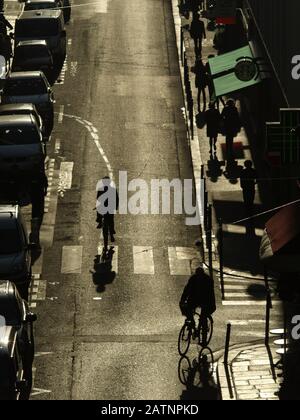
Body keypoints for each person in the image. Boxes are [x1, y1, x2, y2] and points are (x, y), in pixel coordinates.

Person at [96, 177, 119, 246]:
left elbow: (98, 199)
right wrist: (116, 207)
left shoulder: (101, 189)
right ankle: (111, 233)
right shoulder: (113, 189)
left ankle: (99, 221)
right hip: (110, 208)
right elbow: (117, 199)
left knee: (99, 212)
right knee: (111, 220)